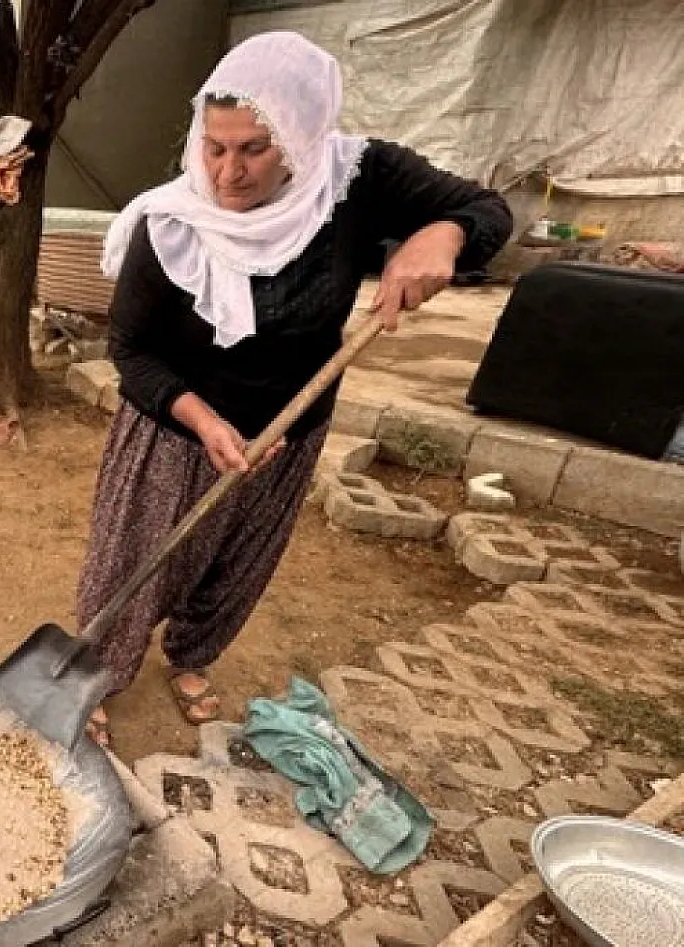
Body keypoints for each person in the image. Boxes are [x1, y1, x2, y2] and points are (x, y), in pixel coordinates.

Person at [79, 32, 512, 740]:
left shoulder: (354, 179)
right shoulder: (170, 223)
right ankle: (93, 670)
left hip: (289, 425)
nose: (228, 172)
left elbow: (488, 208)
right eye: (215, 147)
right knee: (134, 559)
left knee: (236, 560)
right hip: (174, 426)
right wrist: (205, 422)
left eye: (254, 148)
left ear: (303, 136)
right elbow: (128, 350)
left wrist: (443, 236)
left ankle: (192, 655)